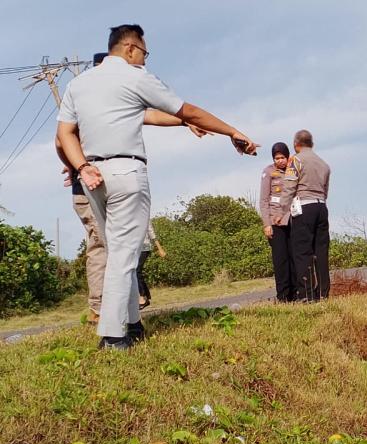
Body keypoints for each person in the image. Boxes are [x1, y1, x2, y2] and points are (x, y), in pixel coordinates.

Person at [56, 24, 259, 350]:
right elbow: (186, 109)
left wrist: (80, 166)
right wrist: (232, 131)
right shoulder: (135, 77)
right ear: (130, 48)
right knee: (124, 256)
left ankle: (133, 324)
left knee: (119, 252)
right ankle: (113, 337)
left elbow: (63, 135)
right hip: (127, 172)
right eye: (144, 53)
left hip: (93, 175)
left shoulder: (77, 85)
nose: (144, 60)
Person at [57, 52, 207, 324]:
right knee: (104, 247)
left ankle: (123, 313)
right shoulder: (85, 104)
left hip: (105, 182)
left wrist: (185, 120)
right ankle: (102, 311)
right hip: (91, 187)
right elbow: (61, 140)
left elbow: (151, 115)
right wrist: (77, 166)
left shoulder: (114, 106)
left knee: (119, 247)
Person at [277, 130, 330, 302]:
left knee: (302, 251)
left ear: (296, 144)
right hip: (321, 206)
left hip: (304, 208)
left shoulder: (296, 160)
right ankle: (323, 293)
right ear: (312, 144)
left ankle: (307, 294)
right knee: (321, 251)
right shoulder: (324, 164)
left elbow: (289, 186)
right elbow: (325, 190)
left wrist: (282, 210)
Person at [260, 142, 296, 302]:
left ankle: (296, 294)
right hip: (275, 221)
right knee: (280, 260)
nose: (280, 161)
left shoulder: (293, 170)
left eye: (282, 157)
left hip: (293, 219)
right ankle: (283, 296)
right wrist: (267, 224)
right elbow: (263, 200)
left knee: (294, 258)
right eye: (277, 158)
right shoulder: (268, 172)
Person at [136, 221, 165, 310]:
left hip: (144, 247)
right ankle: (146, 296)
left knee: (137, 270)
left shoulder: (144, 215)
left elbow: (151, 232)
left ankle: (142, 297)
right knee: (134, 272)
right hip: (133, 248)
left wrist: (160, 249)